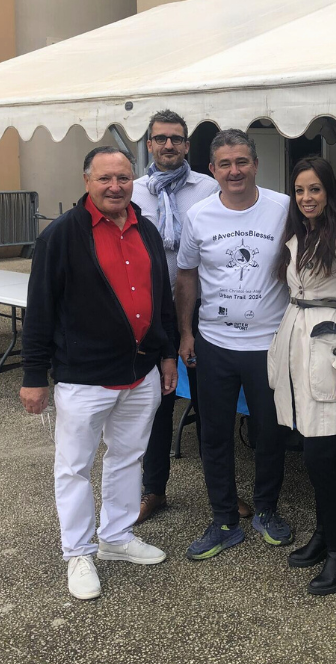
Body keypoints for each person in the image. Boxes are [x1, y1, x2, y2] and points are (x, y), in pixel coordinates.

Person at [20, 146, 178, 600]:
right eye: (106, 178)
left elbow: (161, 297)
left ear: (134, 181)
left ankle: (116, 538)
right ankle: (79, 552)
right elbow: (41, 309)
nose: (115, 187)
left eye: (124, 178)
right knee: (74, 467)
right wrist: (34, 376)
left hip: (141, 371)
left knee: (127, 458)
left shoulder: (145, 228)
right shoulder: (61, 236)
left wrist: (166, 353)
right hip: (84, 377)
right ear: (87, 180)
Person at [175, 129, 294, 560]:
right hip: (215, 344)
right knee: (216, 435)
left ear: (256, 165)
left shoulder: (283, 207)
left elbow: (327, 234)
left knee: (270, 434)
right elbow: (186, 275)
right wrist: (186, 332)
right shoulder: (199, 216)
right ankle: (224, 519)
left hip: (270, 344)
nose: (234, 171)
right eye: (224, 164)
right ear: (212, 170)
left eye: (242, 161)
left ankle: (266, 510)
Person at [268, 156, 336, 595]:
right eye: (300, 190)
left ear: (329, 190)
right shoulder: (299, 234)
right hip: (297, 340)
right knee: (312, 453)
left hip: (328, 350)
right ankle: (327, 534)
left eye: (314, 189)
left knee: (320, 457)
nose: (306, 198)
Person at [130, 109, 235, 524]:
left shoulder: (209, 188)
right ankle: (153, 490)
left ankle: (223, 497)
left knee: (212, 409)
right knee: (156, 405)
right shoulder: (133, 191)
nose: (169, 145)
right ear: (150, 144)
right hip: (152, 316)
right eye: (160, 139)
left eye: (176, 138)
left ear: (188, 145)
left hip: (201, 313)